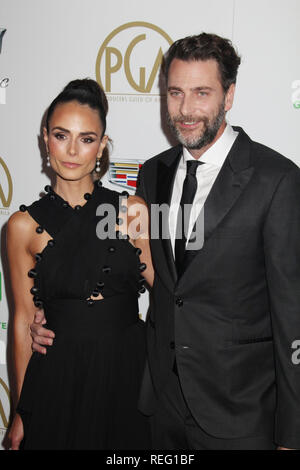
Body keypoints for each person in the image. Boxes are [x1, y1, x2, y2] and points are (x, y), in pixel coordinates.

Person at [31, 33, 300, 450]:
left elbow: (292, 316)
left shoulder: (276, 179)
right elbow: (156, 280)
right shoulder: (152, 174)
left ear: (229, 96)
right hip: (159, 408)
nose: (186, 109)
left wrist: (291, 435)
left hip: (240, 414)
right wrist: (59, 319)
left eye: (202, 92)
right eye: (175, 92)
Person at [7, 78, 153, 450]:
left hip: (127, 371)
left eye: (87, 139)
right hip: (58, 375)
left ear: (102, 146)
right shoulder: (21, 227)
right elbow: (24, 320)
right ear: (45, 138)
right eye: (61, 135)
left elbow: (171, 295)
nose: (72, 150)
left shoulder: (131, 211)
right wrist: (23, 410)